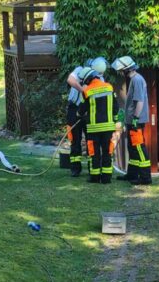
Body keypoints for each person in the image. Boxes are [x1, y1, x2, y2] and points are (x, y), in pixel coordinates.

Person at [111, 56, 152, 185]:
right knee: (132, 148)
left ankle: (146, 178)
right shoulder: (134, 80)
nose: (120, 72)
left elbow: (139, 101)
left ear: (126, 69)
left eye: (121, 70)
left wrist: (135, 118)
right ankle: (132, 175)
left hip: (136, 121)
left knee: (139, 148)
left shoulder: (137, 80)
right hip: (131, 121)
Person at [65, 57, 107, 177]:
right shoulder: (79, 70)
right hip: (74, 109)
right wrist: (83, 89)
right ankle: (75, 168)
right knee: (74, 139)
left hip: (89, 111)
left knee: (91, 140)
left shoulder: (100, 78)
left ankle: (92, 167)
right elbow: (70, 80)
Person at [77, 67, 118, 184]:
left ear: (88, 79)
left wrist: (78, 114)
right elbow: (115, 107)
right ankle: (106, 178)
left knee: (94, 153)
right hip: (108, 128)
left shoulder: (87, 91)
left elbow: (82, 109)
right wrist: (114, 121)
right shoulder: (109, 87)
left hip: (93, 129)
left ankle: (94, 177)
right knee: (107, 152)